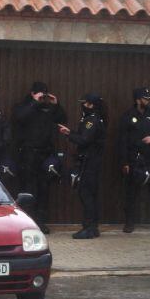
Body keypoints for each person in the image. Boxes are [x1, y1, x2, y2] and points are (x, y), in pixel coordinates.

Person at [12, 81, 68, 233]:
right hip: (28, 154)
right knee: (28, 189)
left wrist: (56, 105)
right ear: (32, 93)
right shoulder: (24, 106)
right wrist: (34, 103)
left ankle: (41, 222)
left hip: (45, 154)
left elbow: (62, 119)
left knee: (44, 189)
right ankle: (27, 223)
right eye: (39, 94)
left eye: (45, 94)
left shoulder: (48, 109)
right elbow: (20, 118)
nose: (43, 97)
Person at [118, 87, 150, 232]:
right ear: (137, 100)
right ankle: (129, 222)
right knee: (131, 194)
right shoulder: (128, 116)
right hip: (134, 159)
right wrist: (124, 162)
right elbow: (122, 141)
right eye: (145, 98)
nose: (148, 100)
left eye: (149, 98)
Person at [68, 94, 106, 240]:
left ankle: (89, 227)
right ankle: (93, 227)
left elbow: (84, 140)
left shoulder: (92, 121)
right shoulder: (92, 119)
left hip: (90, 163)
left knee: (86, 194)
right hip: (92, 162)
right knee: (91, 194)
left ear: (91, 105)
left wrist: (69, 134)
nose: (83, 106)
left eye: (86, 103)